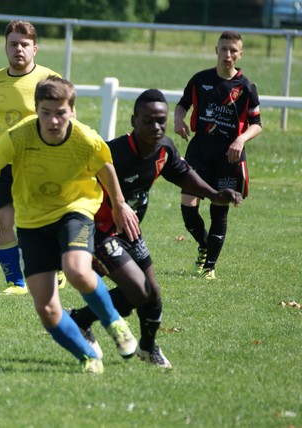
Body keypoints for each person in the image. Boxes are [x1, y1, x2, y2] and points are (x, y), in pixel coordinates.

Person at [0, 76, 140, 374]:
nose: (53, 120)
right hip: (32, 222)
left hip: (75, 210)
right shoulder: (19, 136)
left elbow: (105, 168)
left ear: (72, 111)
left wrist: (119, 204)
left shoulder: (86, 138)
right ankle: (88, 356)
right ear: (36, 110)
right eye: (46, 113)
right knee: (46, 308)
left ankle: (114, 322)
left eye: (60, 113)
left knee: (76, 270)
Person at [68, 89, 243, 368]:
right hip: (98, 230)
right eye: (148, 121)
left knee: (153, 294)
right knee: (138, 290)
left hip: (130, 231)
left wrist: (214, 194)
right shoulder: (114, 153)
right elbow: (77, 185)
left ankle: (147, 348)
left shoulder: (164, 149)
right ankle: (80, 320)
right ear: (133, 121)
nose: (156, 127)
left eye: (161, 120)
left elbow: (184, 175)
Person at [0, 20, 65, 295]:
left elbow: (65, 117)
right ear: (6, 47)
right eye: (13, 44)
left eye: (25, 44)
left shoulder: (50, 80)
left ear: (35, 48)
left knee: (42, 221)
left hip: (39, 161)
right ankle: (16, 282)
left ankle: (57, 265)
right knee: (0, 219)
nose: (19, 49)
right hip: (0, 162)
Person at [174, 30, 262, 280]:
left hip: (229, 155)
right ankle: (205, 245)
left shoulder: (246, 88)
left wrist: (240, 139)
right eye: (224, 49)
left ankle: (210, 267)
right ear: (216, 51)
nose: (228, 54)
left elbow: (257, 124)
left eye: (233, 50)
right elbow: (182, 105)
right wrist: (178, 119)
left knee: (219, 210)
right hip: (199, 149)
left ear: (240, 54)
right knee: (188, 208)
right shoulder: (200, 80)